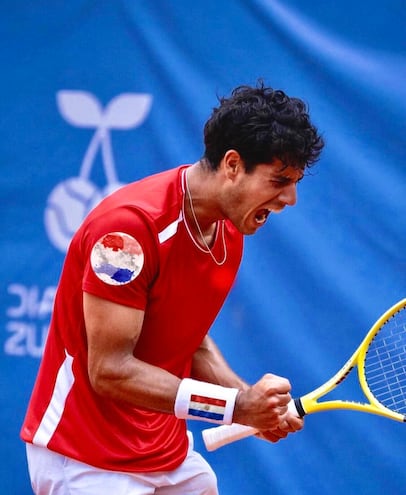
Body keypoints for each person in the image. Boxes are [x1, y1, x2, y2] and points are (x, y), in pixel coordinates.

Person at [21, 80, 324, 494]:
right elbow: (109, 371)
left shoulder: (228, 230)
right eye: (279, 180)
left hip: (165, 453)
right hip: (85, 458)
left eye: (295, 182)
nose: (290, 198)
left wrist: (248, 405)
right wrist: (234, 407)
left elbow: (189, 341)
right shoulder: (125, 232)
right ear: (232, 166)